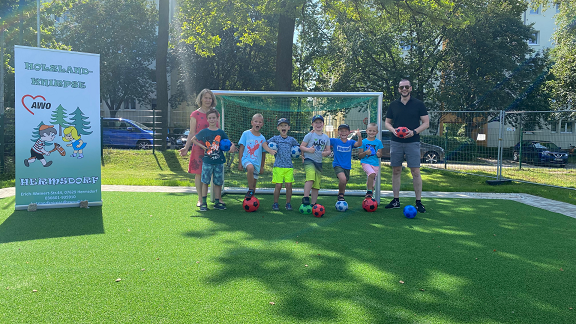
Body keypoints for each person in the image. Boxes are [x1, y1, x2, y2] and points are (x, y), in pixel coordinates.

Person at [384, 79, 429, 213]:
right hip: (396, 142)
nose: (404, 89)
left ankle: (418, 202)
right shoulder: (393, 105)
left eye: (406, 87)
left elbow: (426, 123)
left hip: (413, 142)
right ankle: (396, 200)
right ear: (398, 89)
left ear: (410, 88)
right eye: (401, 87)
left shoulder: (418, 104)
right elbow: (387, 123)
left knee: (415, 172)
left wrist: (414, 132)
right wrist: (394, 130)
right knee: (396, 171)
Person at [180, 89, 219, 208]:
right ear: (201, 99)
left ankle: (217, 198)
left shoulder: (216, 113)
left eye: (210, 98)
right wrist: (186, 148)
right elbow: (192, 133)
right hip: (198, 148)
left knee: (214, 173)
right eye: (206, 98)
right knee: (199, 174)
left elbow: (219, 131)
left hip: (213, 148)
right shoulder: (195, 114)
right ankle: (200, 199)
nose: (208, 100)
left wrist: (221, 146)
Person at [190, 108, 235, 211]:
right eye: (210, 118)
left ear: (217, 119)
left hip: (219, 161)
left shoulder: (220, 132)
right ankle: (204, 203)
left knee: (218, 182)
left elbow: (228, 142)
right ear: (207, 119)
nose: (212, 120)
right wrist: (202, 147)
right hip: (207, 161)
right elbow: (194, 139)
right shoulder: (204, 132)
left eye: (214, 118)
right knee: (205, 182)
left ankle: (217, 201)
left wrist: (232, 146)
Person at [238, 113, 277, 198]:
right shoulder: (246, 134)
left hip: (257, 163)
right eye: (256, 121)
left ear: (262, 124)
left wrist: (262, 166)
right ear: (252, 123)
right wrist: (240, 162)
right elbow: (241, 148)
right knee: (250, 168)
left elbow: (263, 153)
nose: (258, 123)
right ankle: (250, 189)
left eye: (260, 122)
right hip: (246, 159)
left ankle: (250, 200)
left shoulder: (262, 138)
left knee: (254, 183)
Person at [267, 118, 299, 211]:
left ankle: (288, 203)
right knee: (278, 186)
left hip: (289, 167)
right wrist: (270, 150)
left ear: (288, 128)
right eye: (281, 125)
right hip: (278, 166)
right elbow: (265, 143)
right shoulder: (275, 138)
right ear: (278, 128)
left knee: (289, 185)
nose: (283, 127)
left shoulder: (291, 140)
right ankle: (275, 203)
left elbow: (299, 147)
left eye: (285, 125)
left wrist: (301, 155)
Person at [300, 115, 331, 206]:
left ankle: (313, 203)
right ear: (312, 124)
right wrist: (308, 150)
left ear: (323, 124)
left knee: (317, 184)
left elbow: (328, 150)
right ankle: (305, 197)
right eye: (316, 122)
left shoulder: (326, 137)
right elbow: (301, 146)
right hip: (309, 159)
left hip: (319, 161)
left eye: (320, 122)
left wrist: (326, 153)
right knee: (310, 176)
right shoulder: (309, 135)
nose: (318, 124)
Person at [329, 124, 362, 202]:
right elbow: (324, 139)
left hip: (347, 166)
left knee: (344, 182)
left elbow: (359, 144)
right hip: (337, 164)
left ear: (348, 132)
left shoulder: (351, 142)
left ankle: (341, 196)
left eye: (345, 131)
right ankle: (341, 194)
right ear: (338, 132)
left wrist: (359, 136)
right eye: (341, 131)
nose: (343, 132)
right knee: (343, 179)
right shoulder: (335, 141)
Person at [358, 123, 384, 199]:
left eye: (374, 131)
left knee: (372, 183)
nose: (371, 132)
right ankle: (369, 192)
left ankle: (369, 200)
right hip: (365, 162)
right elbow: (360, 155)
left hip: (375, 164)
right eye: (370, 130)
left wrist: (379, 154)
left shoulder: (378, 142)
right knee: (371, 174)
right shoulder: (363, 142)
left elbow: (380, 154)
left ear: (377, 132)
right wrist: (365, 153)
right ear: (366, 131)